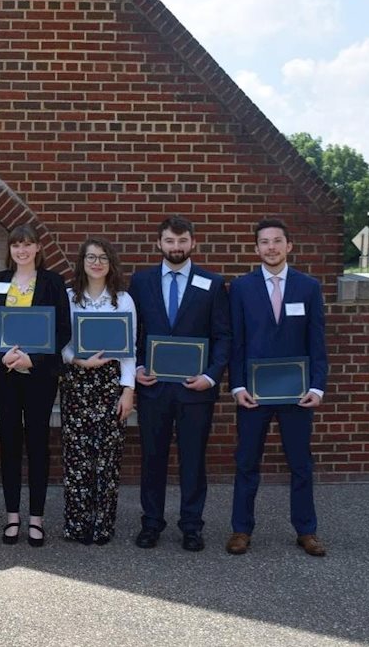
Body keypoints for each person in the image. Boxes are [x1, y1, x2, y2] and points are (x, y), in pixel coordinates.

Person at [226, 218, 328, 557]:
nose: (271, 247)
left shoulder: (308, 287)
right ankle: (241, 529)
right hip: (252, 394)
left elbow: (317, 343)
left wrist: (317, 387)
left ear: (289, 246)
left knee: (300, 464)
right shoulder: (241, 287)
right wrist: (237, 386)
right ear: (256, 249)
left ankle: (307, 531)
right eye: (264, 242)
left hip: (297, 395)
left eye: (277, 241)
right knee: (246, 462)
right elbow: (236, 342)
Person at [128, 215, 230, 552]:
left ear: (193, 243)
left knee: (193, 460)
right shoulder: (140, 283)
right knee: (152, 458)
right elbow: (134, 332)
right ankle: (151, 523)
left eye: (182, 241)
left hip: (195, 390)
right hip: (153, 387)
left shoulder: (211, 283)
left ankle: (191, 525)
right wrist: (138, 368)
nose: (176, 247)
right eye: (170, 241)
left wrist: (211, 375)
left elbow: (222, 336)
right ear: (159, 243)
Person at [0, 225, 70, 547]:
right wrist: (2, 356)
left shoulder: (52, 282)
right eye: (17, 245)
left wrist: (34, 359)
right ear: (11, 249)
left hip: (39, 374)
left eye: (27, 245)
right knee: (8, 443)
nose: (22, 251)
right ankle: (12, 517)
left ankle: (36, 518)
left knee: (37, 442)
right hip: (4, 374)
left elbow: (62, 330)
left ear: (37, 248)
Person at [58, 238, 136, 545]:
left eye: (102, 257)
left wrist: (128, 390)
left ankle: (102, 526)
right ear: (82, 262)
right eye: (91, 257)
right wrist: (75, 359)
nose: (97, 262)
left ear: (110, 263)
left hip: (109, 384)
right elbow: (59, 341)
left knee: (107, 457)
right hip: (77, 381)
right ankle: (77, 526)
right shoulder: (68, 298)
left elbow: (131, 350)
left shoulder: (123, 300)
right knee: (77, 457)